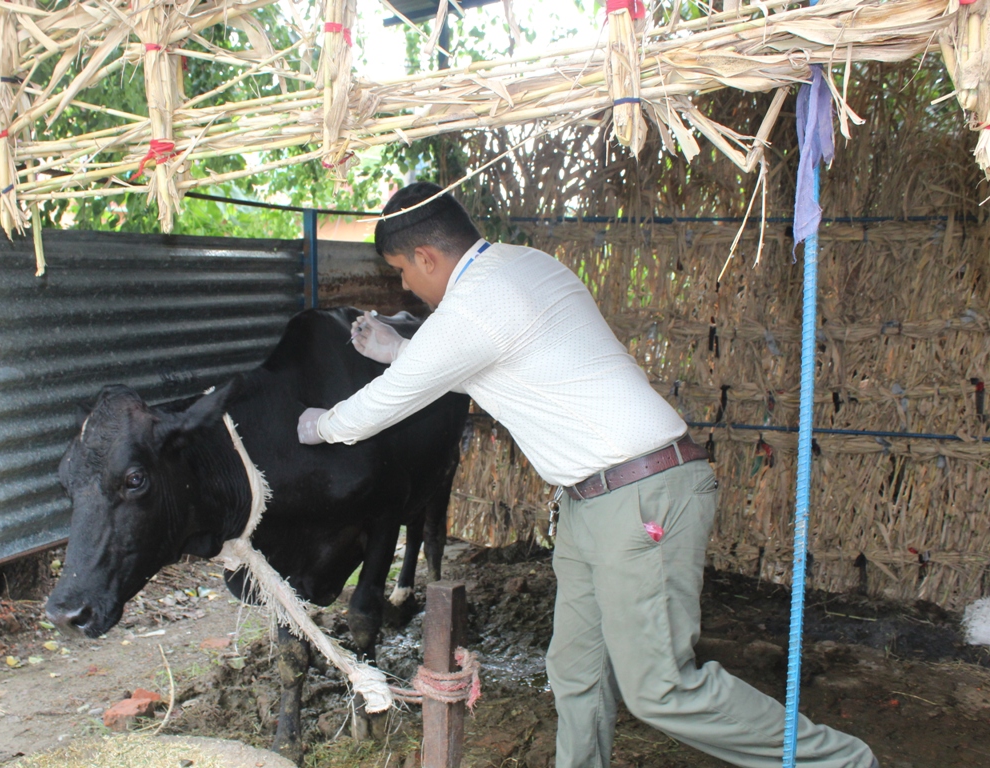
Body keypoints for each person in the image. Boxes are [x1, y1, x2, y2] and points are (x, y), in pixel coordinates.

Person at [295, 181, 879, 768]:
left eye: (400, 271)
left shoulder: (475, 303)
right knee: (575, 671)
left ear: (426, 256)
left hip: (638, 496)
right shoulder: (525, 268)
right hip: (592, 501)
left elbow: (389, 400)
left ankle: (845, 763)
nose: (404, 287)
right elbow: (488, 363)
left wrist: (320, 426)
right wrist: (399, 349)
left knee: (661, 690)